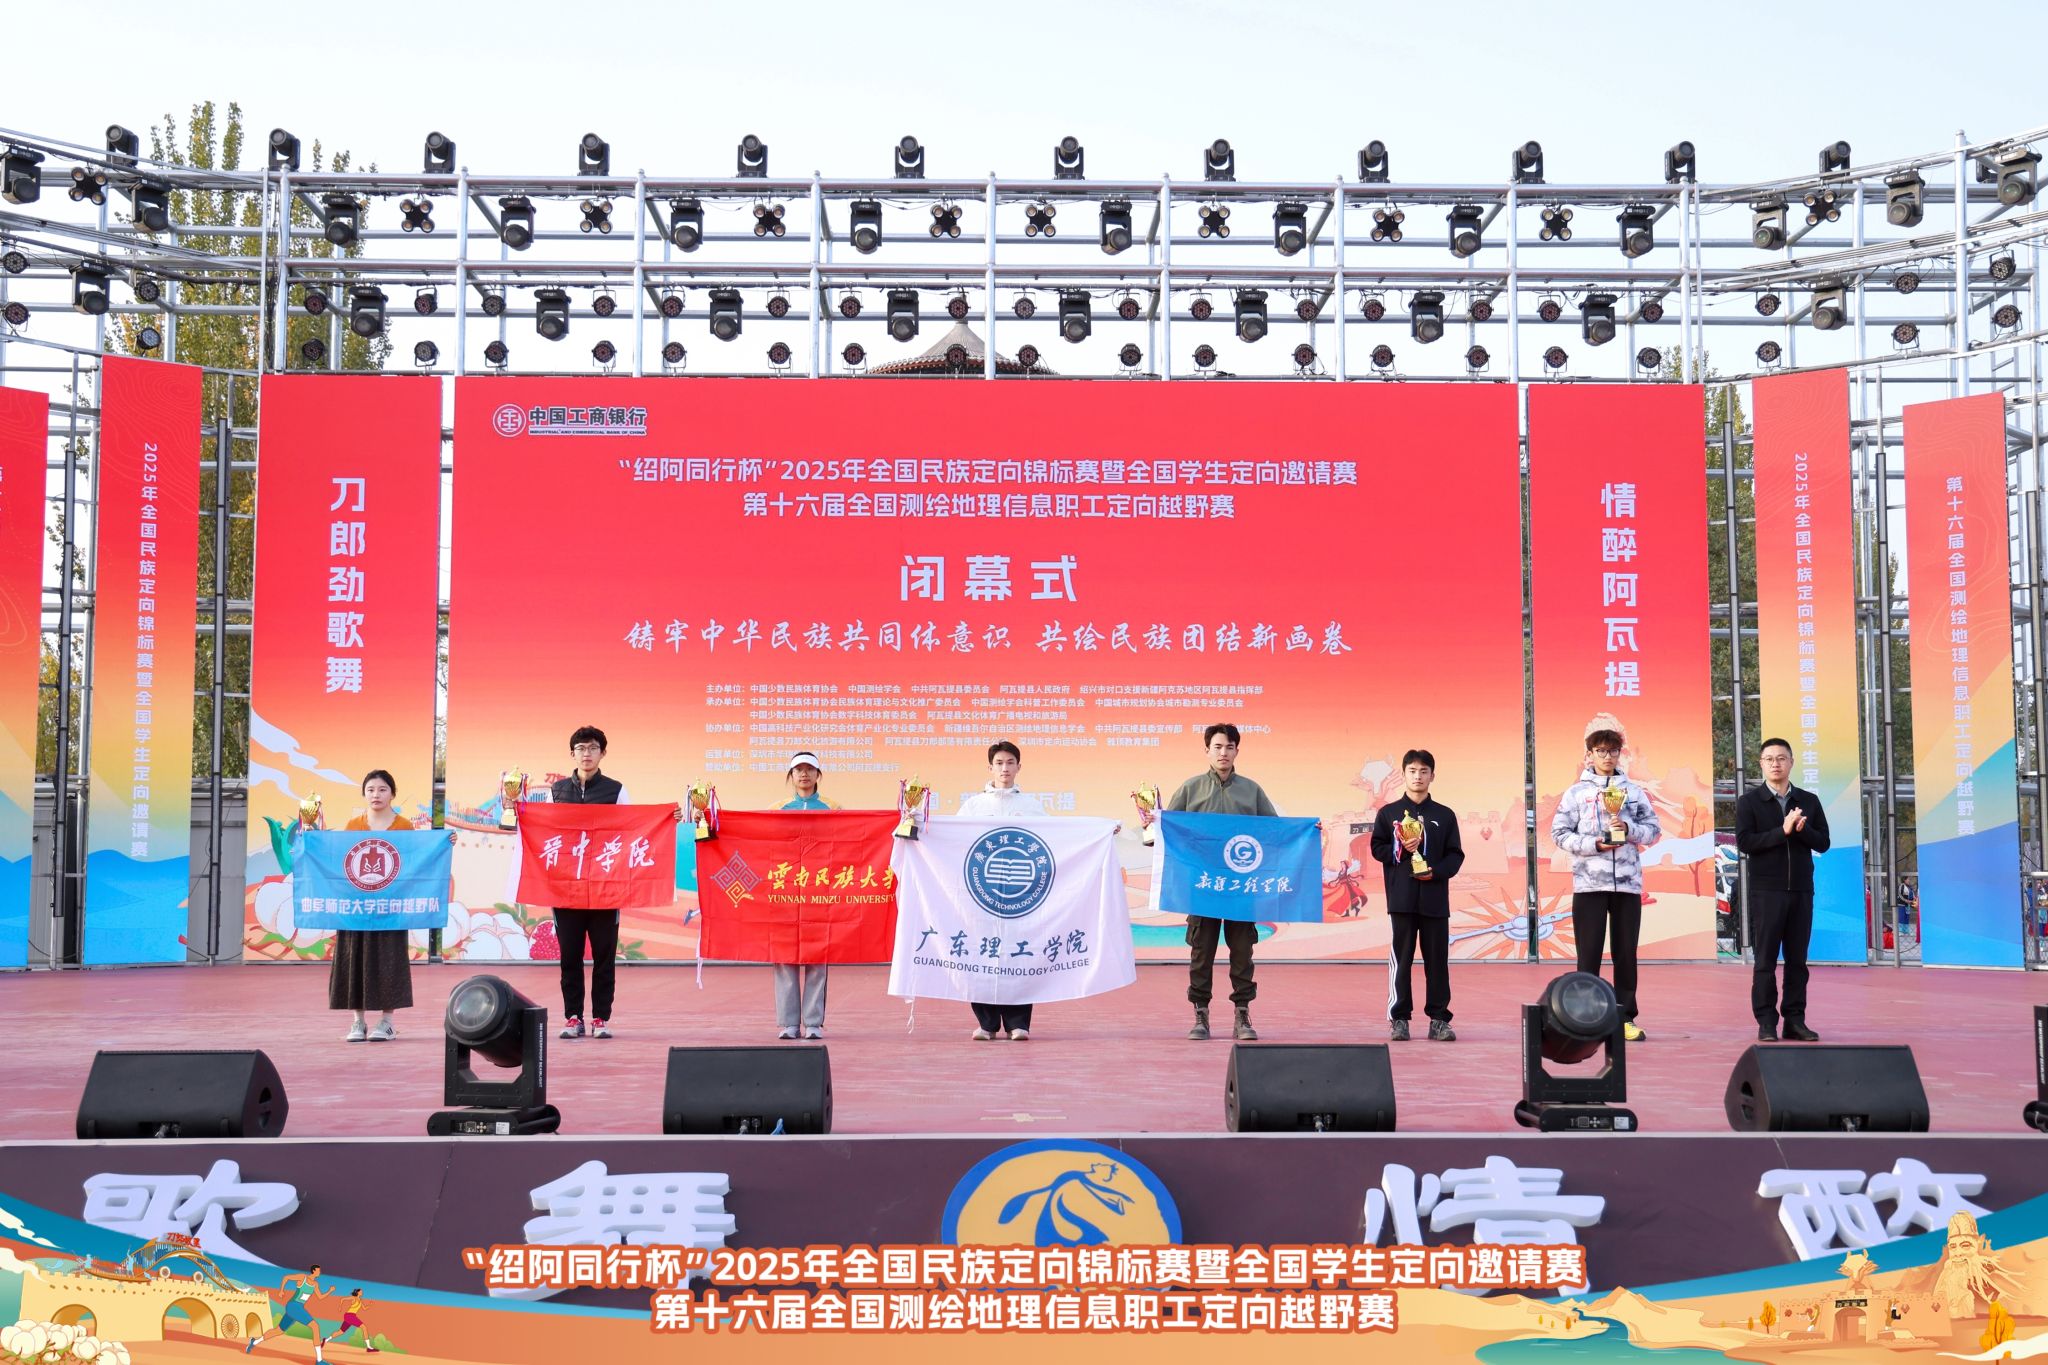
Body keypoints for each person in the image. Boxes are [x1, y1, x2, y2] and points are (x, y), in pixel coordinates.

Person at [1164, 722, 1278, 1042]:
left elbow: (1275, 831)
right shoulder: (1190, 789)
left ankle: (1242, 1014)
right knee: (1202, 952)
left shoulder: (1251, 791)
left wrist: (1307, 833)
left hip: (1240, 888)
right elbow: (1169, 829)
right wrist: (1150, 825)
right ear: (1207, 751)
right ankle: (1200, 1014)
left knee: (1242, 952)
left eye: (1229, 746)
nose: (1223, 752)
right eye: (1217, 746)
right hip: (1203, 887)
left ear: (1237, 751)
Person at [1550, 726, 1661, 1042]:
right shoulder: (1575, 793)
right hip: (1589, 885)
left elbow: (1653, 831)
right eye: (1601, 751)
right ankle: (1586, 1018)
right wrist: (1595, 845)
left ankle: (1625, 1018)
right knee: (1588, 955)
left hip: (1627, 885)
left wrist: (1628, 828)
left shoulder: (1634, 792)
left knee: (1626, 955)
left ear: (1619, 754)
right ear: (1589, 755)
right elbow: (1559, 834)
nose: (1607, 757)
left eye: (1612, 751)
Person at [1735, 737, 1831, 1042]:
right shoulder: (1749, 802)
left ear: (1791, 762)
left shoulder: (1808, 801)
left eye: (1781, 758)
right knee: (1764, 961)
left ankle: (1795, 1020)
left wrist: (1802, 830)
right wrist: (1783, 831)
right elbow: (1745, 842)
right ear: (1761, 764)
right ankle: (1766, 1022)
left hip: (1801, 891)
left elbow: (1823, 843)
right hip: (1766, 892)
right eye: (1769, 759)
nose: (1775, 764)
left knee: (1797, 961)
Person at [1370, 749, 1466, 1041]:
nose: (1418, 776)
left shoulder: (1445, 815)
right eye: (1412, 771)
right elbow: (1377, 848)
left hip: (1435, 901)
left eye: (1424, 771)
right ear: (1404, 774)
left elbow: (1455, 855)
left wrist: (1435, 872)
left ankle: (1439, 1020)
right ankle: (1399, 1019)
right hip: (1402, 899)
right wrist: (1399, 849)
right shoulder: (1388, 814)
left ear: (1432, 776)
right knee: (1402, 960)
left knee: (1437, 962)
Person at [956, 740, 1047, 1041]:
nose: (1004, 768)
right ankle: (986, 1024)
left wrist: (1100, 831)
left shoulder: (1032, 807)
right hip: (981, 893)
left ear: (1019, 767)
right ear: (990, 767)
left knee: (1019, 953)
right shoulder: (973, 806)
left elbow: (1056, 840)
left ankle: (1018, 1023)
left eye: (1010, 762)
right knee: (982, 952)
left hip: (1021, 895)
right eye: (999, 763)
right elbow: (952, 839)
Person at [330, 770, 430, 1043]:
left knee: (389, 960)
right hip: (356, 907)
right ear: (364, 794)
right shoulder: (353, 825)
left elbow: (416, 860)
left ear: (392, 794)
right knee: (354, 959)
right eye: (371, 789)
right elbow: (339, 862)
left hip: (390, 907)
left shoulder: (404, 827)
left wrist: (446, 842)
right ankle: (358, 1022)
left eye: (383, 789)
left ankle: (387, 1022)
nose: (376, 794)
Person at [550, 725, 631, 1041]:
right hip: (566, 889)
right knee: (569, 956)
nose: (587, 753)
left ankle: (600, 1018)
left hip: (604, 888)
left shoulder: (616, 791)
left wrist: (668, 818)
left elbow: (633, 828)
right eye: (581, 748)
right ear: (572, 754)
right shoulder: (556, 791)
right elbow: (542, 831)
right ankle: (573, 1017)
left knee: (604, 956)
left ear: (603, 753)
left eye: (593, 748)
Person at [774, 751, 836, 1040]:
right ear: (791, 775)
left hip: (819, 893)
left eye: (809, 769)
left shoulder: (832, 808)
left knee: (817, 956)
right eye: (798, 769)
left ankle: (813, 1022)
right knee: (784, 957)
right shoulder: (778, 809)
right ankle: (789, 1023)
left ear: (817, 774)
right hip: (786, 894)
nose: (804, 774)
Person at [245, 1265, 326, 1359]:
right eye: (318, 1270)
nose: (319, 1272)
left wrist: (329, 1291)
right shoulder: (303, 1278)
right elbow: (286, 1277)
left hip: (297, 1308)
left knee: (278, 1331)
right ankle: (319, 1360)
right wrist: (281, 1290)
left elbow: (320, 1297)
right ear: (313, 1271)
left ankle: (254, 1342)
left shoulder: (315, 1284)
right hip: (294, 1306)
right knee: (315, 1326)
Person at [321, 1288, 379, 1353]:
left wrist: (370, 1305)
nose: (362, 1292)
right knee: (364, 1327)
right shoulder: (353, 1298)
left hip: (350, 1317)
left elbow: (364, 1308)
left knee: (341, 1331)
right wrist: (340, 1306)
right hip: (350, 1316)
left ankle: (326, 1340)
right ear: (357, 1292)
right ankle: (369, 1347)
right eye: (361, 1291)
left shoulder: (360, 1300)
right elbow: (342, 1299)